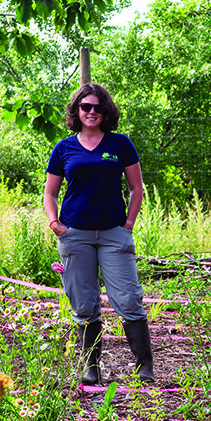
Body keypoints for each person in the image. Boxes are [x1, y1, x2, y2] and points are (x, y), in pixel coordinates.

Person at [44, 83, 153, 385]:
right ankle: (90, 367)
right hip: (74, 234)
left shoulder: (120, 144)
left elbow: (136, 188)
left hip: (113, 234)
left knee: (128, 298)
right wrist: (55, 223)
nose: (92, 112)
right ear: (76, 111)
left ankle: (145, 366)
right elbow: (50, 193)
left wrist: (128, 224)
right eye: (85, 107)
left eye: (98, 107)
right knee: (83, 302)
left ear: (106, 111)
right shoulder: (64, 148)